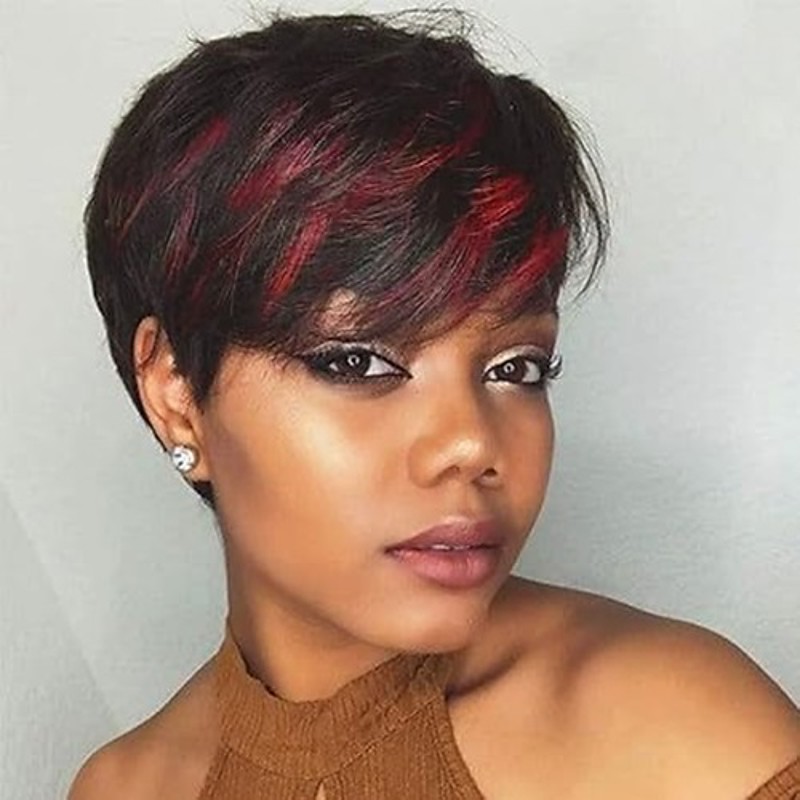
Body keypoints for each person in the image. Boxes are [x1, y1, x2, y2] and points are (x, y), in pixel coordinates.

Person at [68, 10, 799, 800]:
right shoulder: (122, 787)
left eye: (516, 368)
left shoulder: (683, 738)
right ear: (176, 392)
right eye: (357, 361)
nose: (470, 443)